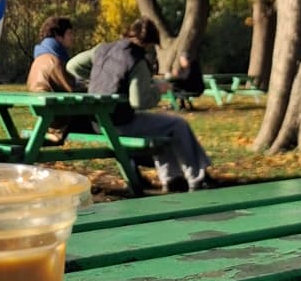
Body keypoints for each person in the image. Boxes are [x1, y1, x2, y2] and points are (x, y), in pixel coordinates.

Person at [68, 18, 217, 193]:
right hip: (118, 124)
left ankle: (173, 179)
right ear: (149, 42)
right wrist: (157, 90)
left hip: (96, 122)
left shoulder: (102, 49)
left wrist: (99, 76)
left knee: (163, 129)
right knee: (178, 124)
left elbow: (72, 66)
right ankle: (198, 177)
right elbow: (138, 102)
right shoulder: (136, 58)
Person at [27, 15, 88, 145]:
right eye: (69, 33)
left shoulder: (40, 57)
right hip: (58, 120)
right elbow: (71, 89)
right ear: (58, 36)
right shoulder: (54, 61)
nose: (72, 37)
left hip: (46, 115)